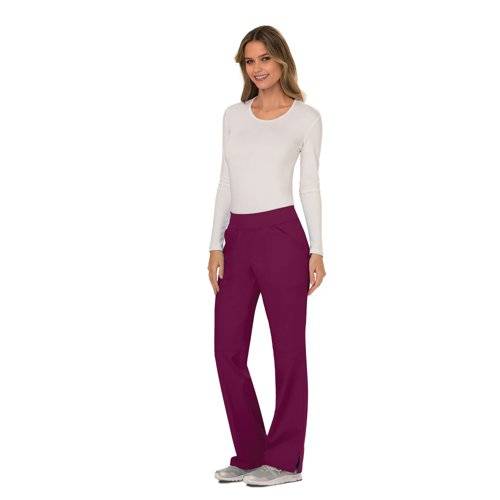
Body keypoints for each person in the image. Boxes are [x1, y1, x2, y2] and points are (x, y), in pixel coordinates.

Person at [208, 25, 327, 487]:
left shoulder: (305, 118)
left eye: (264, 59)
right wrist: (215, 243)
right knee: (227, 350)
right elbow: (225, 181)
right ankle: (251, 452)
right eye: (249, 61)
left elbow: (310, 186)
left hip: (282, 237)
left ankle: (284, 461)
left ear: (281, 60)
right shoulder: (233, 116)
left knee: (288, 350)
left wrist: (317, 248)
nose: (257, 68)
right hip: (238, 238)